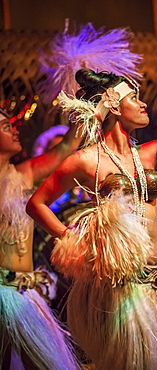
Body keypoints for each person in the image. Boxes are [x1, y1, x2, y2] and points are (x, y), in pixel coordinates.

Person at [26, 67, 157, 370]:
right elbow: (37, 204)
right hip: (121, 290)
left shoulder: (150, 154)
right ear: (113, 105)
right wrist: (73, 240)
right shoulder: (86, 160)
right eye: (134, 98)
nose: (143, 104)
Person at [0, 107, 82, 369]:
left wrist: (95, 109)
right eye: (3, 126)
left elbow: (66, 146)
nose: (14, 129)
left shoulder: (23, 174)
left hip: (25, 293)